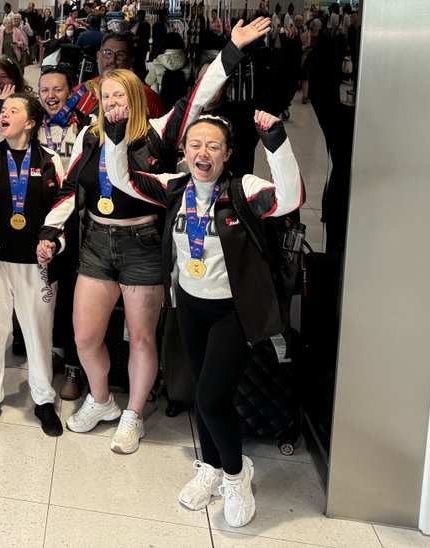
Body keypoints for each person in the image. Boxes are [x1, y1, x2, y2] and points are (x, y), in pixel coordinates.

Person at [59, 17, 269, 455]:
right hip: (98, 244)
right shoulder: (88, 136)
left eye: (121, 94)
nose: (113, 101)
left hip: (144, 246)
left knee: (141, 336)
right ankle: (101, 400)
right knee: (84, 335)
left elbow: (199, 96)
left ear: (135, 98)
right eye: (107, 95)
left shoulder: (159, 133)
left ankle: (132, 414)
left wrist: (231, 50)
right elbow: (68, 187)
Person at [103, 107, 302, 528]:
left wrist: (277, 144)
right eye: (195, 144)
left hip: (235, 312)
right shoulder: (176, 188)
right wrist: (116, 137)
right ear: (185, 151)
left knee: (212, 398)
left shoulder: (244, 190)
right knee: (201, 395)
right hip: (191, 306)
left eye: (213, 145)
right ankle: (210, 467)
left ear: (228, 153)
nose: (203, 152)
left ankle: (236, 475)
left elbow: (290, 198)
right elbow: (123, 180)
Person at [0, 93, 72, 437]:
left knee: (39, 333)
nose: (4, 114)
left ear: (29, 123)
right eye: (2, 110)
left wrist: (51, 240)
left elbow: (64, 203)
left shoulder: (51, 160)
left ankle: (43, 400)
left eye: (13, 110)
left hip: (35, 263)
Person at [37, 63, 89, 400]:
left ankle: (73, 365)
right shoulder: (32, 127)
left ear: (70, 93)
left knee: (71, 293)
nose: (51, 96)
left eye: (58, 90)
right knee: (46, 290)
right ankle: (53, 351)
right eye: (45, 90)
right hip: (41, 219)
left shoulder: (87, 128)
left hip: (78, 221)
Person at [146, 32, 194, 111]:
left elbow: (147, 83)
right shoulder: (189, 62)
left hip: (163, 105)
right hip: (183, 106)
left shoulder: (158, 61)